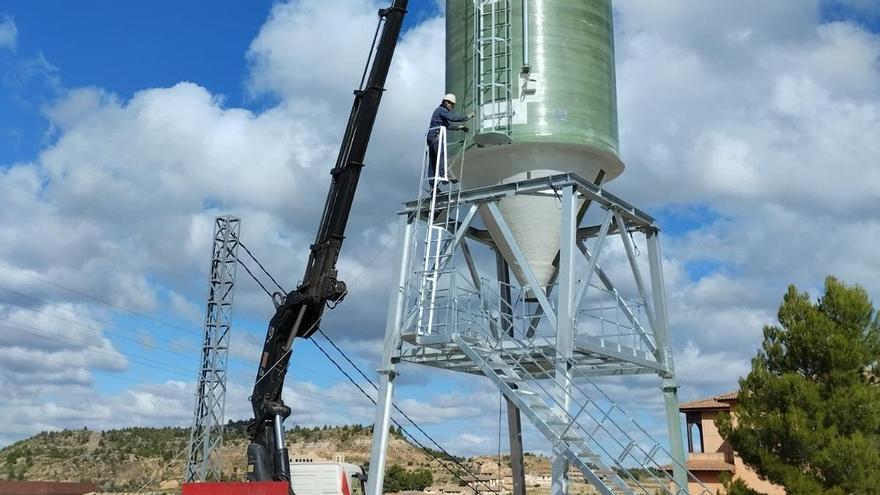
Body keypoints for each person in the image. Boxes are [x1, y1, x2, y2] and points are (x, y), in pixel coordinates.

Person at [426, 94, 473, 185]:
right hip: (436, 136)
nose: (452, 106)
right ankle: (444, 175)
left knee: (433, 162)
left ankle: (433, 187)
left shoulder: (440, 112)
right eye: (452, 104)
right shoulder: (442, 110)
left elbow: (448, 125)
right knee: (442, 154)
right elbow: (453, 118)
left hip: (431, 137)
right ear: (447, 102)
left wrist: (459, 127)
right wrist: (466, 117)